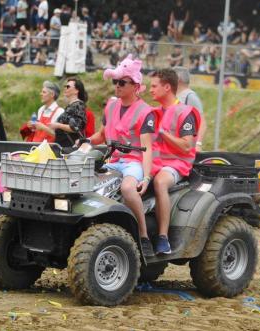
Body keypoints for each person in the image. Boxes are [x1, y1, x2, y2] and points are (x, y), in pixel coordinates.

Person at [88, 54, 159, 257]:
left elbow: (147, 148)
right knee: (86, 182)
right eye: (115, 82)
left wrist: (146, 178)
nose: (117, 86)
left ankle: (143, 235)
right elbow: (101, 135)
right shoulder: (111, 106)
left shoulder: (146, 112)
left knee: (128, 188)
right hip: (113, 161)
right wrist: (85, 142)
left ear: (135, 85)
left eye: (121, 82)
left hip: (133, 162)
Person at [150, 69, 201, 255]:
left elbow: (187, 146)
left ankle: (163, 237)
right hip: (153, 161)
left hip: (176, 163)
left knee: (160, 182)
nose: (150, 90)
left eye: (154, 86)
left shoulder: (186, 112)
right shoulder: (153, 112)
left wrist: (164, 133)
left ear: (167, 87)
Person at [34, 78, 86, 150]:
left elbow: (76, 127)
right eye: (65, 86)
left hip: (69, 149)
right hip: (62, 147)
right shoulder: (71, 105)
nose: (65, 88)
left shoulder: (78, 105)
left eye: (68, 86)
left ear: (76, 91)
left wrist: (57, 125)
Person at [174, 66, 206, 152]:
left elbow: (202, 122)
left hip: (187, 146)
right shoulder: (176, 96)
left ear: (178, 79)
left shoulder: (190, 96)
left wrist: (198, 144)